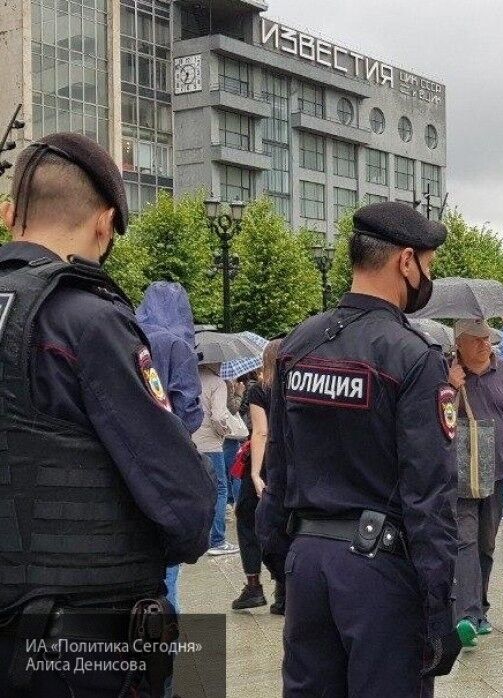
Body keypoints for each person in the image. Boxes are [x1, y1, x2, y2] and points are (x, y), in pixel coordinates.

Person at [0, 133, 214, 696]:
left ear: (7, 215)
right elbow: (185, 503)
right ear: (104, 223)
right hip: (77, 642)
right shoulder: (86, 321)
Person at [257, 202, 460, 697]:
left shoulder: (300, 342)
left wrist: (284, 558)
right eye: (428, 266)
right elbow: (428, 496)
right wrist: (439, 606)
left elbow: (278, 467)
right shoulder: (413, 357)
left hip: (308, 563)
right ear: (405, 262)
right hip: (379, 574)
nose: (427, 279)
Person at [447, 318, 503, 646]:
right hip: (460, 473)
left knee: (487, 544)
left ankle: (480, 608)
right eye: (476, 339)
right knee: (465, 542)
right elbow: (431, 419)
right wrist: (450, 389)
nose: (484, 344)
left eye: (487, 338)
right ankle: (466, 614)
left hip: (498, 472)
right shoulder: (445, 372)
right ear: (459, 342)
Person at [135, 280, 204, 613]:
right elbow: (188, 413)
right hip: (166, 466)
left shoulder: (126, 335)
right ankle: (163, 656)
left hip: (124, 461)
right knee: (167, 577)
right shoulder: (178, 346)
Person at [232, 339, 286, 614]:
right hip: (290, 464)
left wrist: (254, 472)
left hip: (265, 464)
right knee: (285, 523)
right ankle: (284, 586)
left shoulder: (259, 391)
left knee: (248, 519)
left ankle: (253, 585)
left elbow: (260, 432)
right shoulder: (296, 388)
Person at [195, 362, 239, 556]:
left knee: (199, 490)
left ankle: (198, 538)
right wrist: (224, 431)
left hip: (191, 441)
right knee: (220, 488)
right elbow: (218, 416)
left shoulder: (190, 379)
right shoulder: (217, 383)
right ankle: (218, 540)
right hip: (211, 444)